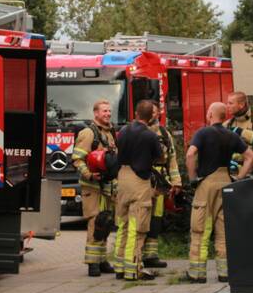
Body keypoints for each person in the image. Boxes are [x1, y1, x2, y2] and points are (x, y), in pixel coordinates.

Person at [185, 102, 253, 283]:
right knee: (223, 230)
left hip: (206, 183)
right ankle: (224, 273)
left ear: (209, 114)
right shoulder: (231, 135)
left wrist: (193, 179)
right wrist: (238, 178)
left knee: (200, 228)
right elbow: (251, 157)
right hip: (226, 182)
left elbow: (191, 154)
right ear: (225, 117)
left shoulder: (203, 133)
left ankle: (197, 273)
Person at [114, 100, 163, 281]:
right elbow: (159, 157)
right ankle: (133, 268)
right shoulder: (150, 135)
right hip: (139, 181)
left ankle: (119, 267)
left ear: (135, 113)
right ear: (151, 116)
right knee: (137, 226)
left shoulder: (123, 131)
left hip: (122, 178)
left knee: (123, 225)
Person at [72, 99, 117, 277]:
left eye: (109, 111)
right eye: (104, 111)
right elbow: (77, 159)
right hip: (92, 186)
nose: (107, 114)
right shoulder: (88, 133)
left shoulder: (110, 132)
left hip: (106, 186)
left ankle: (102, 259)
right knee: (94, 222)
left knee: (104, 223)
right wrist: (90, 174)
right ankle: (92, 263)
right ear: (96, 113)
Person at [143, 103, 182, 269]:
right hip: (143, 178)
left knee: (156, 220)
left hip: (159, 181)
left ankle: (151, 255)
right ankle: (137, 254)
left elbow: (172, 159)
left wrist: (176, 182)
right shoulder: (139, 131)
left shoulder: (165, 133)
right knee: (141, 217)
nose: (153, 114)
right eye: (150, 112)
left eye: (155, 111)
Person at [223, 90, 253, 175]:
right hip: (232, 173)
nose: (227, 106)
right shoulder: (227, 125)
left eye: (230, 103)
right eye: (227, 103)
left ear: (241, 105)